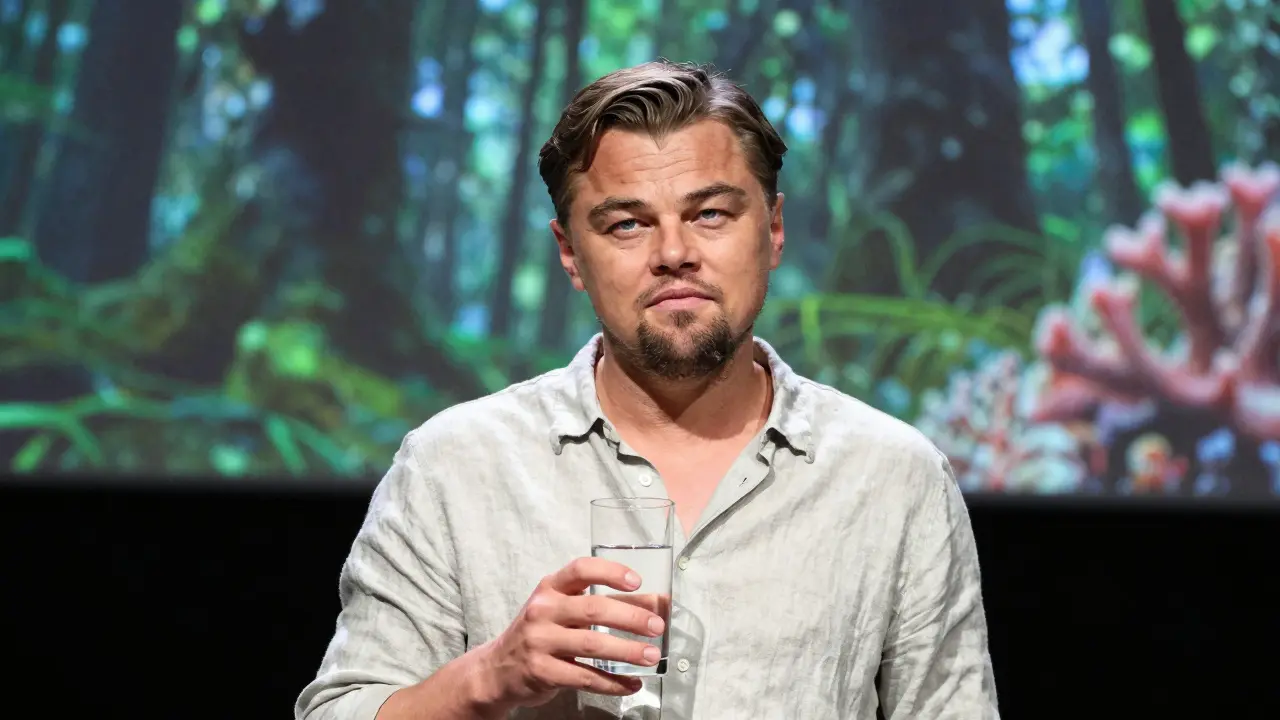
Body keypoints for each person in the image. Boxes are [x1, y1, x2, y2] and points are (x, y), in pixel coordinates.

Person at [296, 60, 999, 720]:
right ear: (570, 253)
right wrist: (488, 676)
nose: (673, 253)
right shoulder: (455, 465)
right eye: (627, 224)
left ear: (775, 230)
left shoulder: (893, 476)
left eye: (712, 214)